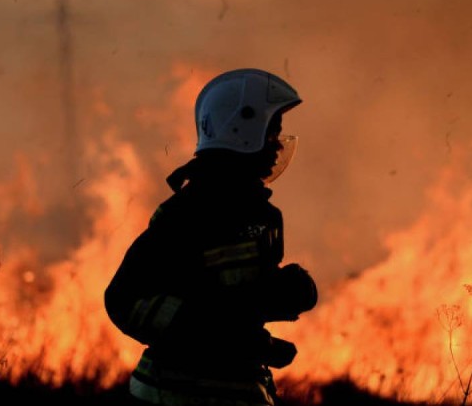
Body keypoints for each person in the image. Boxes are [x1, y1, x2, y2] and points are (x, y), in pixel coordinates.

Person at [104, 68, 318, 406]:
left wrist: (282, 291)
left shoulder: (259, 217)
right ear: (242, 132)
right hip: (173, 396)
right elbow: (126, 300)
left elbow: (231, 300)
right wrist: (236, 336)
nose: (278, 146)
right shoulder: (190, 213)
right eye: (271, 133)